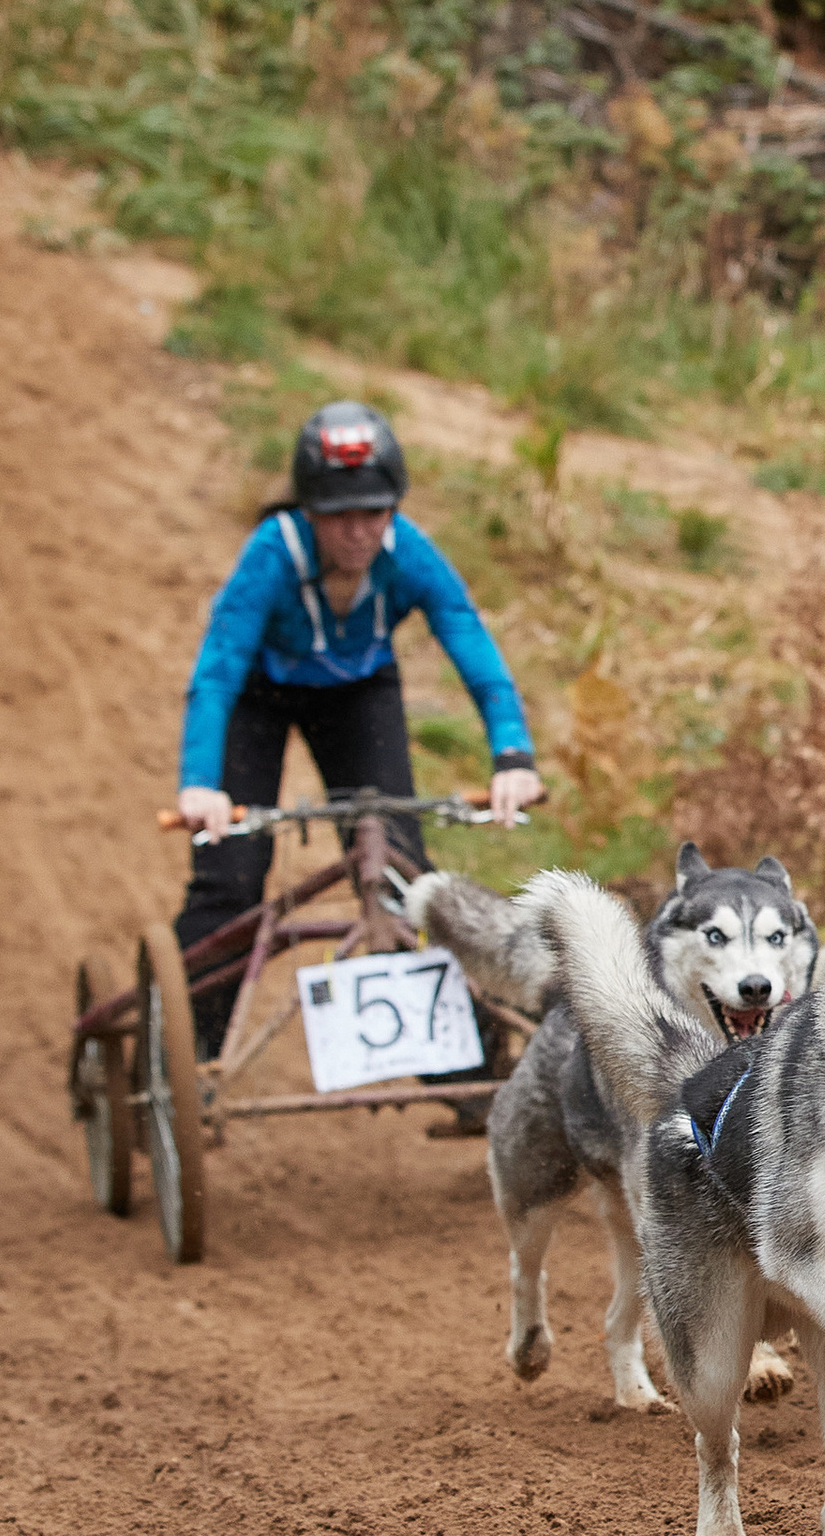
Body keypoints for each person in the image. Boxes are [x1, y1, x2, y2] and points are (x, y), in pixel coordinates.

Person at [172, 400, 545, 1053]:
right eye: (339, 516)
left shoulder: (409, 553)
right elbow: (218, 670)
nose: (358, 532)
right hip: (257, 697)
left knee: (402, 874)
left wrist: (512, 754)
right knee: (230, 876)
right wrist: (201, 784)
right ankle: (184, 1054)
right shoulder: (272, 554)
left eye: (374, 512)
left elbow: (470, 644)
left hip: (356, 694)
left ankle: (466, 1072)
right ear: (308, 511)